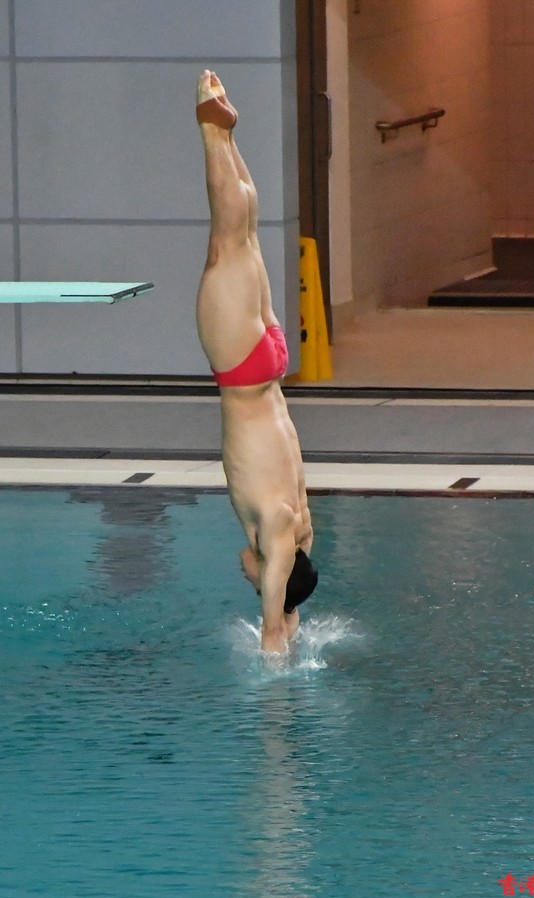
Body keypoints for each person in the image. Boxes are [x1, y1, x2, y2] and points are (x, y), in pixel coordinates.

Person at [195, 70, 318, 654]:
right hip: (244, 374)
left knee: (246, 238)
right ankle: (210, 130)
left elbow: (291, 589)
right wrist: (276, 627)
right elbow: (277, 606)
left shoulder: (301, 524)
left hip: (270, 369)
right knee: (226, 243)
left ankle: (226, 136)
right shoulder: (276, 527)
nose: (247, 576)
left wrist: (293, 613)